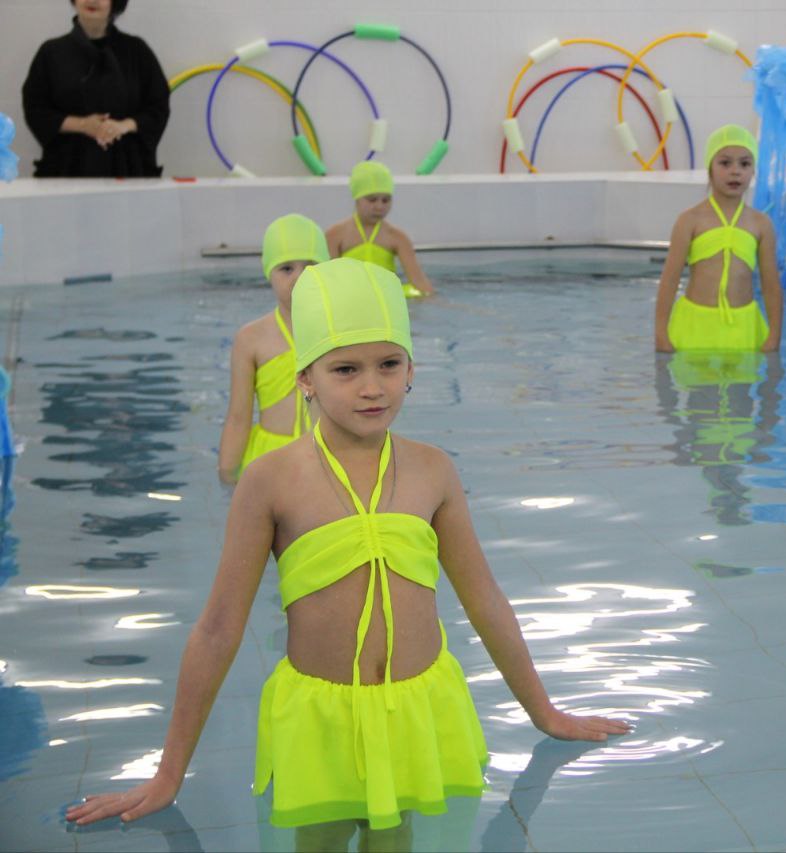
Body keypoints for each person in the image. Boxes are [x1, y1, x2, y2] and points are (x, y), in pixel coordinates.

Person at [66, 258, 628, 843]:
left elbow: (483, 600)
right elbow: (218, 629)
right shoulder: (271, 481)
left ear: (412, 369)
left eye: (389, 364)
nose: (372, 386)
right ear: (305, 378)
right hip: (320, 722)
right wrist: (168, 775)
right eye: (345, 369)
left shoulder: (432, 470)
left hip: (416, 709)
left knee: (398, 840)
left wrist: (545, 713)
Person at [216, 214, 329, 484]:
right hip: (270, 457)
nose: (299, 277)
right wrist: (227, 475)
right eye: (286, 269)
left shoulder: (340, 330)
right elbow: (238, 417)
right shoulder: (251, 339)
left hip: (327, 454)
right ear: (269, 274)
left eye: (310, 266)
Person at [654, 124, 782, 353]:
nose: (735, 171)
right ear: (710, 168)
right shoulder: (690, 221)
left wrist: (774, 336)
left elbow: (771, 285)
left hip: (744, 327)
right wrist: (661, 334)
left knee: (743, 378)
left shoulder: (761, 224)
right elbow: (669, 280)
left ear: (754, 170)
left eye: (745, 164)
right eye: (725, 163)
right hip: (695, 325)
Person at [21, 0, 170, 178]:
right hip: (67, 167)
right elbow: (36, 110)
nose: (92, 0)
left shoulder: (137, 50)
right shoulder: (51, 52)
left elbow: (158, 107)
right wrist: (83, 125)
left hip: (128, 166)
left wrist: (122, 126)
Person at [327, 161, 435, 298]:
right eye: (372, 200)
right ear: (357, 199)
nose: (379, 206)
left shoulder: (397, 237)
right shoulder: (335, 235)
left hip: (385, 299)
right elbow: (328, 281)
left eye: (386, 200)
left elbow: (421, 284)